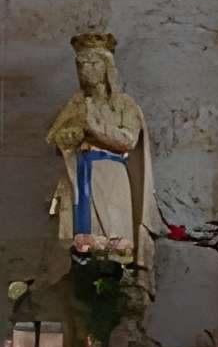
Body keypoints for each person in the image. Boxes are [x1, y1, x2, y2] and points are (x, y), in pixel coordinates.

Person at [46, 31, 160, 291]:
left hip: (110, 174)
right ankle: (85, 269)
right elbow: (55, 137)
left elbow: (129, 140)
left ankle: (114, 276)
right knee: (82, 236)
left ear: (107, 67)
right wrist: (71, 134)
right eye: (81, 64)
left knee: (112, 232)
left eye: (93, 63)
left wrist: (95, 129)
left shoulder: (123, 104)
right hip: (80, 172)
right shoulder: (76, 105)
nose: (86, 69)